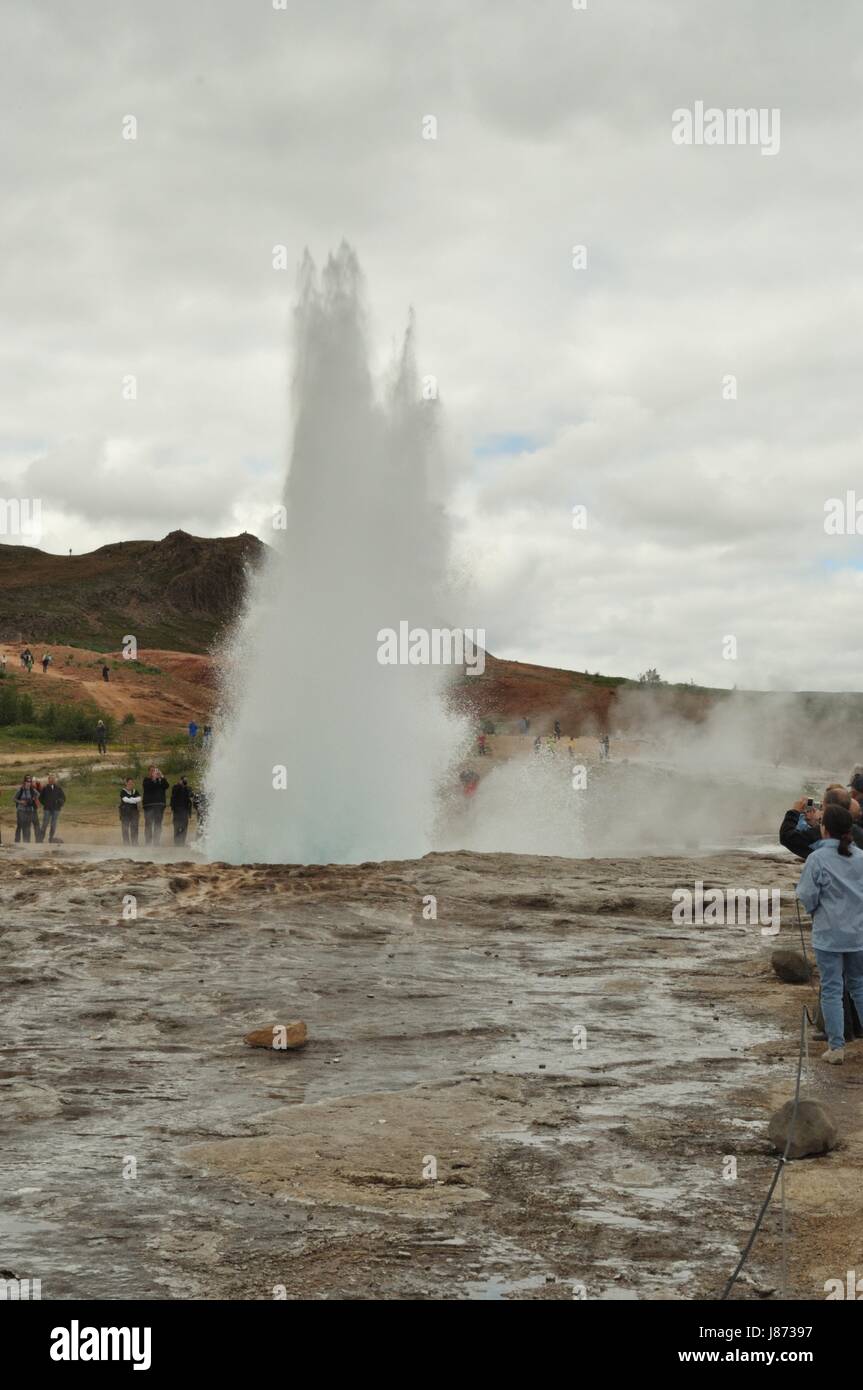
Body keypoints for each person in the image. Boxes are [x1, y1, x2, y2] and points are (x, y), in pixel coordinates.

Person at [797, 803, 863, 1064]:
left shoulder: (817, 859)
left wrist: (817, 910)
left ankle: (836, 1048)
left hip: (829, 936)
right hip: (858, 935)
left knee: (833, 990)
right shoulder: (861, 857)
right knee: (859, 987)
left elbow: (807, 896)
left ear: (824, 829)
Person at [142, 765, 169, 845]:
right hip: (149, 805)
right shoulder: (146, 780)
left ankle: (156, 842)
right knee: (148, 824)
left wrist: (162, 776)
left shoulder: (160, 780)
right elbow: (148, 787)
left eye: (155, 770)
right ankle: (148, 842)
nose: (154, 772)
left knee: (158, 824)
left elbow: (167, 786)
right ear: (149, 772)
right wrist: (153, 779)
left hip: (159, 805)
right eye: (152, 770)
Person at [37, 774, 65, 843]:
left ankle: (51, 839)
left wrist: (59, 802)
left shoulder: (58, 788)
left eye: (53, 779)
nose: (52, 780)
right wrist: (45, 804)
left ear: (55, 780)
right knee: (45, 824)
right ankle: (40, 839)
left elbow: (63, 798)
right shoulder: (45, 788)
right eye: (50, 779)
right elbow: (40, 798)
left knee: (53, 825)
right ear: (48, 780)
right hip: (47, 809)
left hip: (56, 809)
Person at [14, 776, 39, 843]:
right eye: (27, 781)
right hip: (21, 810)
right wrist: (21, 802)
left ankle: (27, 841)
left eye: (30, 781)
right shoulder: (21, 790)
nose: (29, 783)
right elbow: (14, 798)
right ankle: (17, 841)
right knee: (20, 826)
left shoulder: (32, 790)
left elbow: (38, 794)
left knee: (27, 826)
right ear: (24, 782)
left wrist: (34, 798)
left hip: (29, 810)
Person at [170, 776, 193, 845]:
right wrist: (179, 785)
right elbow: (174, 794)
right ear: (180, 780)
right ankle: (177, 842)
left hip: (185, 810)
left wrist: (189, 813)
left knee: (184, 827)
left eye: (186, 780)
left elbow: (190, 798)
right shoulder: (175, 787)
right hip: (177, 810)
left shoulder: (188, 788)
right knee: (176, 826)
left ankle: (182, 842)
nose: (185, 781)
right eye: (184, 780)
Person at [119, 778, 142, 845]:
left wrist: (131, 799)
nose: (131, 784)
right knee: (125, 828)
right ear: (126, 783)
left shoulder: (135, 791)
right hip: (125, 813)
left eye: (132, 783)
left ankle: (135, 842)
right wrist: (134, 800)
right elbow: (125, 800)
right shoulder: (123, 791)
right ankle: (126, 843)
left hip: (134, 812)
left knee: (134, 827)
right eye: (129, 783)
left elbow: (139, 799)